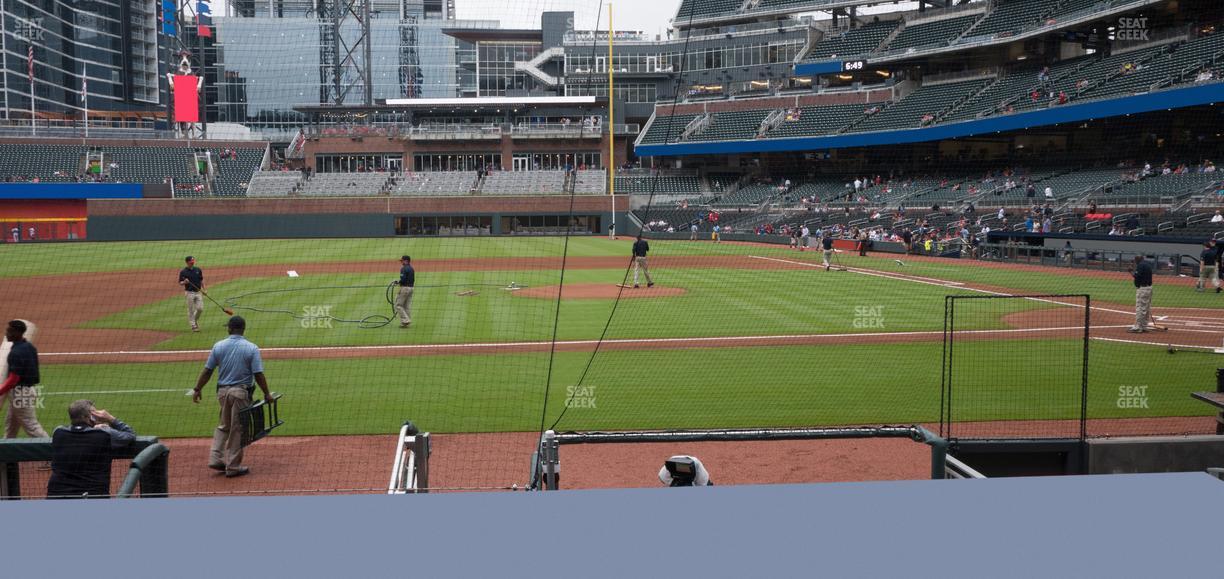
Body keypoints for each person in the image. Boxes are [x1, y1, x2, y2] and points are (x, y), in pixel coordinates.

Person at [191, 316, 273, 478]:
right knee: (238, 429)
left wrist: (197, 389)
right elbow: (258, 374)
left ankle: (216, 458)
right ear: (243, 329)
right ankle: (233, 467)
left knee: (223, 425)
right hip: (240, 393)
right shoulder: (251, 348)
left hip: (222, 393)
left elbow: (208, 370)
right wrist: (266, 393)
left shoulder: (218, 346)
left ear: (230, 328)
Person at [46, 400, 136, 499]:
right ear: (87, 417)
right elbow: (130, 435)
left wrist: (95, 427)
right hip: (92, 495)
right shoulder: (104, 433)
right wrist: (110, 419)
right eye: (93, 413)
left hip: (56, 494)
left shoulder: (58, 432)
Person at [0, 320, 48, 439]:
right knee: (11, 425)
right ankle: (8, 455)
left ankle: (50, 449)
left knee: (31, 426)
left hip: (20, 394)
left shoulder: (16, 352)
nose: (6, 333)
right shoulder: (29, 347)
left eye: (9, 330)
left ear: (17, 332)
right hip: (26, 391)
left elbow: (13, 379)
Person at [1128, 256, 1155, 333]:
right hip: (1149, 288)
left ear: (1137, 260)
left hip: (1143, 289)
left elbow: (1137, 276)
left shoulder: (1140, 266)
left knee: (1140, 307)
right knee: (1146, 308)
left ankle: (1138, 327)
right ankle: (1144, 326)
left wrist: (1131, 271)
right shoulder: (1147, 265)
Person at [178, 256, 204, 332]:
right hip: (189, 293)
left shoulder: (198, 270)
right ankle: (193, 325)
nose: (193, 262)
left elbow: (201, 280)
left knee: (200, 308)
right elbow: (180, 282)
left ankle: (195, 321)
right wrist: (184, 282)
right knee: (191, 309)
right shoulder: (183, 272)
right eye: (191, 261)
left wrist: (204, 289)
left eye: (193, 260)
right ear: (187, 262)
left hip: (198, 292)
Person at [395, 255, 414, 328]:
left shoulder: (404, 268)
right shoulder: (411, 268)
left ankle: (406, 320)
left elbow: (403, 280)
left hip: (405, 288)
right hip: (411, 288)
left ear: (406, 261)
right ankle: (406, 322)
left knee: (398, 305)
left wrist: (398, 282)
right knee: (406, 306)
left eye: (402, 260)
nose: (401, 262)